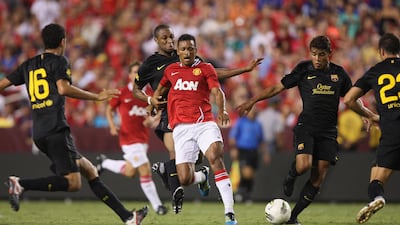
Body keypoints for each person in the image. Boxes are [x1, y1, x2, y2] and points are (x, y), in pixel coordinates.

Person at [0, 23, 147, 225]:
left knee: (90, 171)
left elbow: (2, 85)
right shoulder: (59, 61)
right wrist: (96, 97)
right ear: (63, 41)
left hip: (40, 132)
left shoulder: (29, 64)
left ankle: (129, 218)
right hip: (56, 130)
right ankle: (20, 184)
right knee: (73, 183)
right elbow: (63, 88)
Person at [133, 24, 262, 214]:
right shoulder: (151, 64)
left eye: (171, 37)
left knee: (199, 160)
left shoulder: (189, 57)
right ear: (156, 41)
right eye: (165, 39)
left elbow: (213, 72)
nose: (169, 41)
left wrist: (243, 70)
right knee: (174, 153)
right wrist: (150, 101)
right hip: (170, 114)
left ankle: (191, 176)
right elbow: (137, 89)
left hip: (197, 114)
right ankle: (174, 181)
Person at [237, 35, 353, 225]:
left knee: (318, 177)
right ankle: (291, 176)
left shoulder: (339, 74)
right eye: (314, 54)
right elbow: (277, 88)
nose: (316, 58)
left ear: (329, 54)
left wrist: (366, 114)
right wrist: (253, 100)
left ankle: (293, 217)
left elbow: (352, 98)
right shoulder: (303, 69)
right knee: (303, 166)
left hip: (329, 131)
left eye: (321, 55)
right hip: (306, 126)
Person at [150, 33, 238, 225]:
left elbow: (217, 90)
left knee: (215, 155)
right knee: (185, 178)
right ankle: (202, 176)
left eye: (191, 48)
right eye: (183, 49)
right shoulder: (171, 70)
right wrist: (153, 102)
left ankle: (229, 214)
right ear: (178, 52)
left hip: (204, 123)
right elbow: (161, 89)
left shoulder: (205, 68)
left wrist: (221, 109)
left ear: (196, 50)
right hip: (181, 128)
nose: (187, 52)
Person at [96, 61, 167, 215]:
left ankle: (105, 162)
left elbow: (160, 109)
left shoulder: (149, 94)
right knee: (144, 168)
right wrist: (112, 125)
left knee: (130, 172)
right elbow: (109, 109)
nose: (137, 75)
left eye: (139, 72)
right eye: (134, 72)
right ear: (129, 75)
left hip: (142, 140)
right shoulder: (122, 93)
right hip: (128, 139)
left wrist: (152, 120)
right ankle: (158, 206)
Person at [343, 33, 400, 224]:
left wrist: (369, 115)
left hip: (392, 130)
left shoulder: (375, 71)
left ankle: (378, 199)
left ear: (381, 51)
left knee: (376, 180)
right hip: (391, 125)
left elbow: (349, 99)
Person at [228, 107, 265, 203]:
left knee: (251, 175)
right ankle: (240, 193)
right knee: (246, 173)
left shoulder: (258, 124)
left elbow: (261, 139)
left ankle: (247, 195)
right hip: (243, 150)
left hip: (254, 151)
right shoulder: (241, 122)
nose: (253, 113)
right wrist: (234, 149)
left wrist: (265, 153)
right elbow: (233, 137)